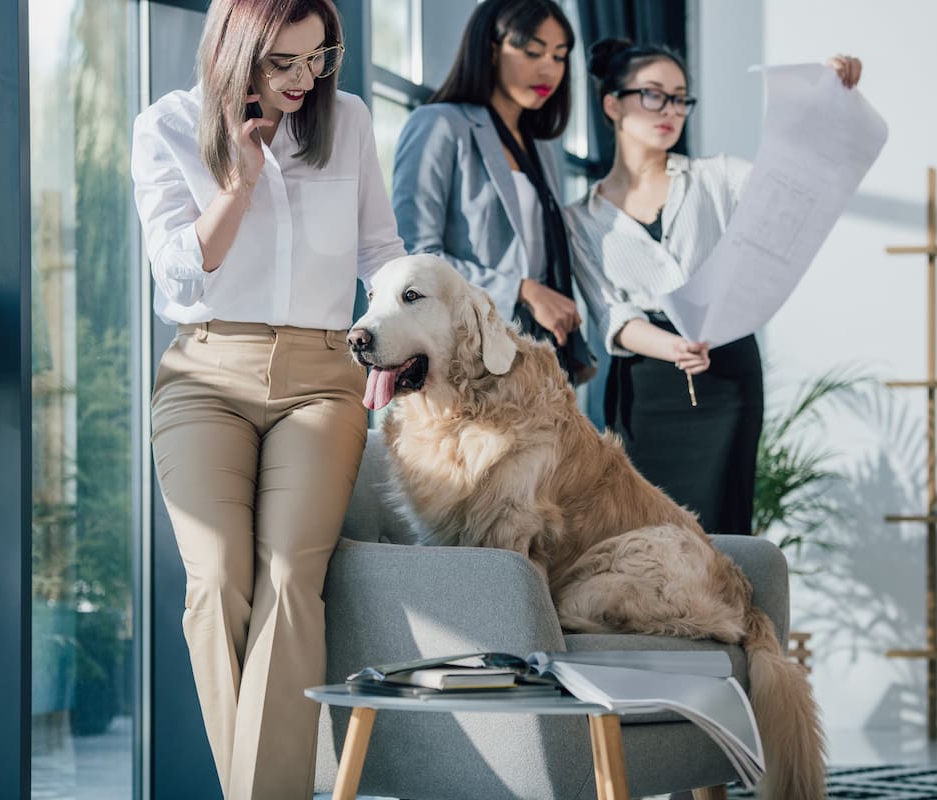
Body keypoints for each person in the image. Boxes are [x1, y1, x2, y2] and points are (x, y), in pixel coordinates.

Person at [129, 0, 405, 796]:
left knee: (290, 578)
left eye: (317, 58)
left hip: (323, 377)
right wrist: (240, 182)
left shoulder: (345, 119)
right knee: (216, 582)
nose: (302, 79)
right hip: (207, 373)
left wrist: (417, 329)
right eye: (281, 62)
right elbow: (178, 275)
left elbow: (379, 250)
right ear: (235, 51)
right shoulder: (168, 125)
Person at [565, 39, 861, 534]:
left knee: (723, 533)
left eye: (680, 98)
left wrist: (823, 94)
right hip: (643, 386)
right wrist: (672, 346)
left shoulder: (715, 178)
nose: (671, 110)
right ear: (612, 104)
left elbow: (793, 175)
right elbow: (610, 314)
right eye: (654, 95)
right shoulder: (581, 218)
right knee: (641, 535)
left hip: (725, 375)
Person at [391, 0, 595, 385]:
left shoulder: (540, 147)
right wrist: (521, 288)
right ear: (490, 48)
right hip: (462, 353)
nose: (548, 68)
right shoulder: (439, 125)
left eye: (560, 55)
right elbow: (414, 256)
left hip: (528, 354)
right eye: (532, 51)